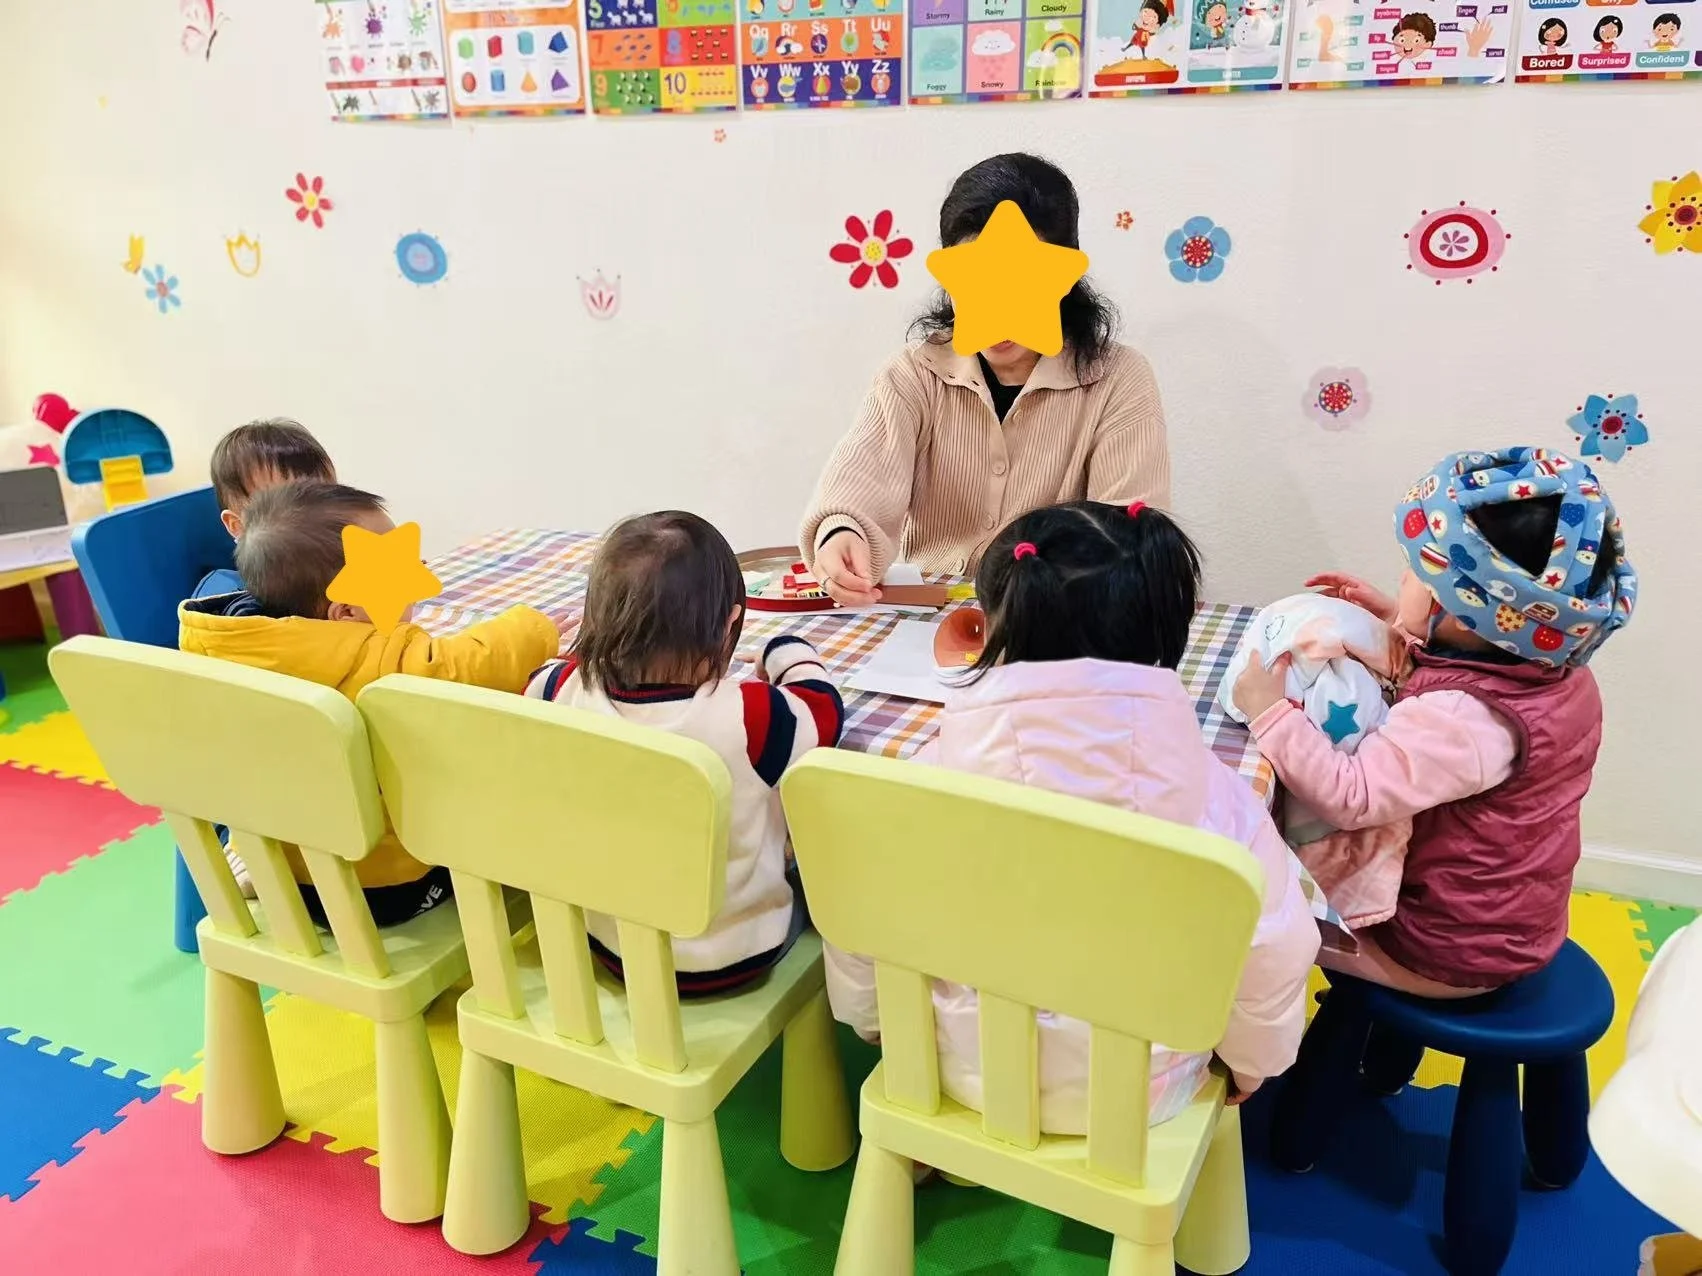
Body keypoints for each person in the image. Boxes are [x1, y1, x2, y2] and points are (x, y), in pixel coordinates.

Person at [825, 500, 1319, 1134]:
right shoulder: (1220, 803)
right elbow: (1274, 950)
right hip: (1142, 1097)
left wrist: (873, 1022)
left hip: (951, 1070)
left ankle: (940, 1156)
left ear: (997, 631)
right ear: (1171, 636)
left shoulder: (925, 776)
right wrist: (1253, 1067)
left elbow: (862, 909)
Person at [1233, 448, 1637, 997]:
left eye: (1421, 575)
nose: (1404, 578)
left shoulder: (1466, 720)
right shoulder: (1554, 673)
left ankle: (1266, 1071)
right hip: (1509, 923)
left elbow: (1353, 798)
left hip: (1445, 948)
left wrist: (1269, 710)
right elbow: (1466, 677)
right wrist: (1392, 618)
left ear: (1469, 616)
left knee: (1250, 929)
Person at [179, 480, 560, 925]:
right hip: (382, 891)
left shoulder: (222, 646)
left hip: (276, 871)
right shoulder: (382, 662)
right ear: (345, 614)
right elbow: (462, 663)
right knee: (516, 816)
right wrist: (536, 628)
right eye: (397, 573)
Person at [801, 153, 1171, 606]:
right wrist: (841, 534)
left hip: (1058, 623)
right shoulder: (914, 375)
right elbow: (857, 485)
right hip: (922, 624)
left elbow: (1128, 544)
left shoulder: (1117, 379)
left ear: (1062, 279)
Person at [524, 511, 845, 997]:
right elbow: (824, 712)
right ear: (730, 624)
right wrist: (786, 650)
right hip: (733, 955)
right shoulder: (754, 716)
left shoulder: (556, 690)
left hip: (611, 944)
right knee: (817, 873)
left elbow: (550, 674)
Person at [195, 418, 337, 598]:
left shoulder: (345, 567)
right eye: (291, 504)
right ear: (237, 526)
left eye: (326, 498)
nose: (316, 518)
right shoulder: (230, 596)